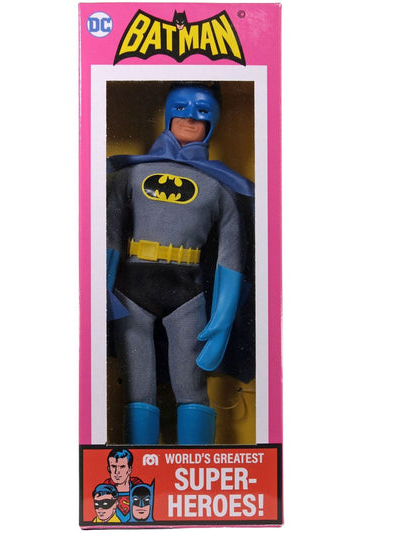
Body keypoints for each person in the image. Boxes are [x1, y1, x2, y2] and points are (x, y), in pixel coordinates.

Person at [107, 83, 254, 445]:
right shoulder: (128, 175)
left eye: (201, 111)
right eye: (181, 108)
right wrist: (100, 293)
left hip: (186, 295)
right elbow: (107, 238)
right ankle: (135, 468)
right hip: (130, 294)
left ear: (214, 120)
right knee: (138, 390)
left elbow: (231, 261)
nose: (190, 118)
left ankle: (197, 466)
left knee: (192, 389)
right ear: (167, 113)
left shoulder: (220, 187)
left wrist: (222, 322)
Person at [102, 448, 143, 522]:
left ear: (129, 469)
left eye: (122, 467)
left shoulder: (138, 487)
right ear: (108, 468)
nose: (117, 472)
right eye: (113, 466)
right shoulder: (104, 490)